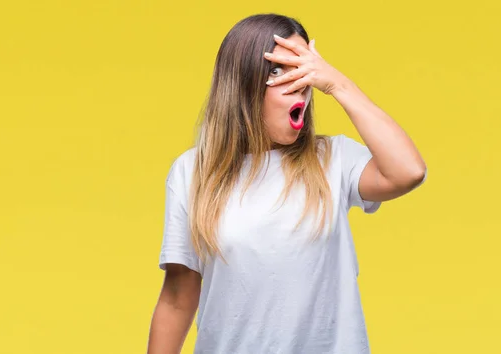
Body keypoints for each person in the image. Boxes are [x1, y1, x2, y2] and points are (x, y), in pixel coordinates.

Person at [147, 13, 427, 354]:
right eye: (280, 70)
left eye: (304, 70)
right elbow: (177, 298)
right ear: (243, 82)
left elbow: (408, 171)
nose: (300, 84)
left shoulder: (333, 159)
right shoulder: (192, 172)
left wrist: (338, 84)